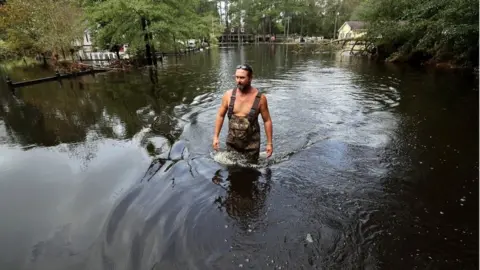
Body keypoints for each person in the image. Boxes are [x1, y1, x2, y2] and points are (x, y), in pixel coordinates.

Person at [212, 64, 273, 164]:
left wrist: (269, 143)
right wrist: (215, 137)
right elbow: (220, 115)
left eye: (242, 77)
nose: (238, 81)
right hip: (232, 143)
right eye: (237, 77)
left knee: (251, 173)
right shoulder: (228, 95)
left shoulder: (260, 99)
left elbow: (267, 121)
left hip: (252, 146)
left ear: (250, 78)